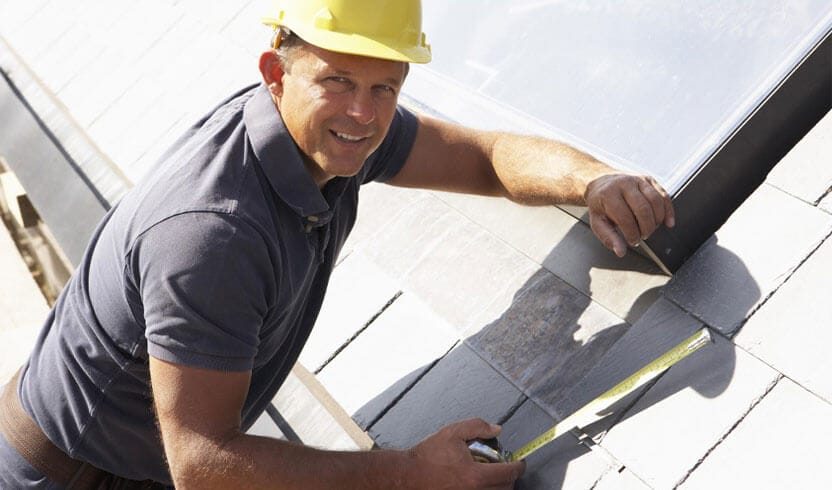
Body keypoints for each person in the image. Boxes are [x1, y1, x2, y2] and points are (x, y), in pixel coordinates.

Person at [0, 0, 674, 488]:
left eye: (386, 87)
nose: (364, 113)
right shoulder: (215, 234)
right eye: (338, 82)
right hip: (62, 476)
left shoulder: (332, 135)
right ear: (275, 71)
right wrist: (410, 473)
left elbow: (486, 156)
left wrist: (592, 179)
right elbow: (203, 464)